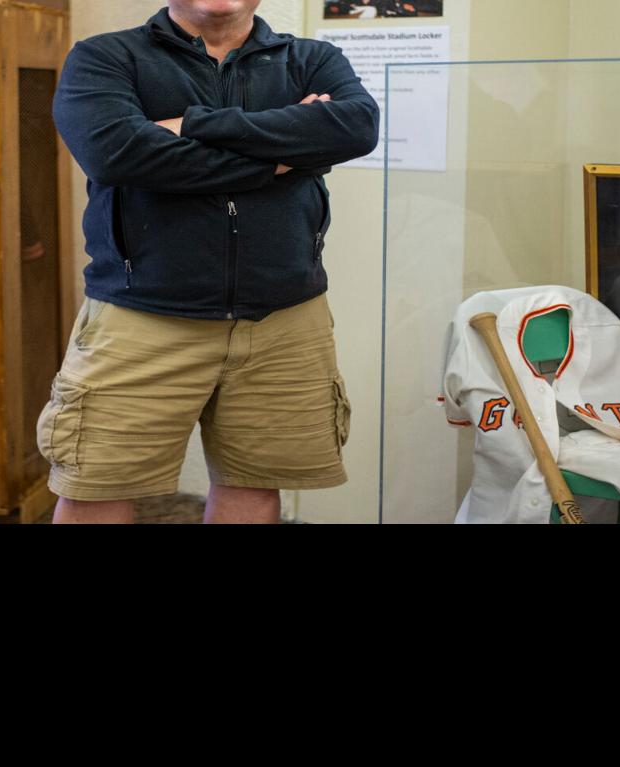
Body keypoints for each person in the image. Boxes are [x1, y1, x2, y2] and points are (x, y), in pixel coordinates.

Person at [42, 0, 379, 524]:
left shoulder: (312, 58)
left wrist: (191, 124)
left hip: (284, 322)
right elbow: (120, 153)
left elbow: (355, 127)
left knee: (253, 482)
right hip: (140, 319)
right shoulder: (106, 57)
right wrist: (288, 155)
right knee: (95, 487)